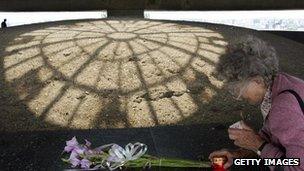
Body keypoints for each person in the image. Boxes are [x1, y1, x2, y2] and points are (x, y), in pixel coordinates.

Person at [209, 35, 304, 171]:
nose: (238, 96)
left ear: (258, 81)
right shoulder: (281, 83)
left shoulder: (283, 108)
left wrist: (257, 144)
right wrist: (237, 155)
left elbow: (298, 166)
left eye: (238, 88)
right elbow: (274, 136)